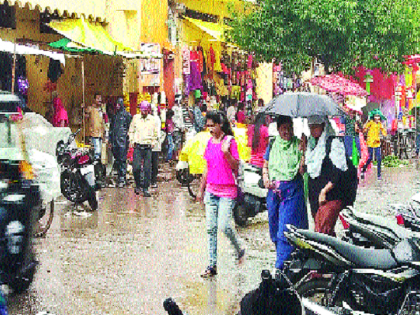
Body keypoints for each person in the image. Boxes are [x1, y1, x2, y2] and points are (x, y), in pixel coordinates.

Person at [197, 111, 245, 278]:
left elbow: (236, 167)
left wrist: (226, 153)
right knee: (210, 229)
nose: (210, 128)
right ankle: (211, 265)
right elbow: (207, 167)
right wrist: (200, 190)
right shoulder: (210, 142)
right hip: (211, 190)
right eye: (208, 125)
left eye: (213, 125)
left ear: (221, 124)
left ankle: (239, 249)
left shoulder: (230, 142)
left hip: (227, 192)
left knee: (224, 225)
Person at [262, 115, 308, 270]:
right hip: (273, 193)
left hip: (292, 192)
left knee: (285, 230)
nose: (287, 132)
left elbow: (301, 170)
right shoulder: (273, 143)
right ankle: (287, 259)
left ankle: (280, 268)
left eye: (290, 128)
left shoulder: (298, 144)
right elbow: (265, 165)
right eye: (283, 128)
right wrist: (266, 178)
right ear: (278, 129)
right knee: (274, 230)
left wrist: (304, 152)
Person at [306, 116, 350, 236]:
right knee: (323, 231)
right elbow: (307, 170)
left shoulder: (333, 143)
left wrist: (324, 191)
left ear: (323, 126)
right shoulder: (310, 145)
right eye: (310, 127)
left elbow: (338, 172)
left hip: (330, 195)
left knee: (322, 231)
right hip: (315, 195)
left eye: (315, 126)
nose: (312, 130)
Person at [128, 101, 159, 197]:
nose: (144, 112)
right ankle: (137, 185)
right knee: (136, 167)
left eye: (146, 110)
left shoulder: (152, 120)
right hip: (138, 146)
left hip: (148, 147)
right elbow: (131, 131)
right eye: (142, 110)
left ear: (148, 110)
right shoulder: (135, 118)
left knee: (147, 169)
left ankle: (145, 188)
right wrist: (132, 140)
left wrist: (153, 142)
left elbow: (156, 133)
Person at [109, 97, 132, 188]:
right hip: (116, 141)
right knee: (117, 160)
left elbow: (130, 128)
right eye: (117, 104)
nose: (118, 106)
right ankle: (120, 176)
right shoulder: (115, 116)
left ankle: (122, 177)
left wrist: (128, 138)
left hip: (122, 141)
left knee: (122, 160)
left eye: (119, 104)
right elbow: (111, 129)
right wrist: (110, 140)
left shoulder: (127, 115)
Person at [361, 110, 387, 180]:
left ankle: (379, 175)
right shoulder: (370, 123)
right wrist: (367, 122)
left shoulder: (380, 124)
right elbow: (364, 130)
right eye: (376, 116)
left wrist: (384, 128)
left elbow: (384, 133)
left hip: (377, 143)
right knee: (369, 158)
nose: (377, 118)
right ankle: (363, 170)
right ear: (373, 117)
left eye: (378, 116)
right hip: (370, 142)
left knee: (379, 159)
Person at [85, 92, 105, 160]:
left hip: (101, 134)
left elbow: (104, 121)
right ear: (94, 100)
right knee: (97, 152)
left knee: (101, 152)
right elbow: (85, 115)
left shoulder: (102, 109)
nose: (99, 100)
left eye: (100, 98)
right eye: (98, 98)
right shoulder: (91, 109)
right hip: (94, 133)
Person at [151, 104, 162, 189]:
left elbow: (157, 133)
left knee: (154, 163)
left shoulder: (156, 119)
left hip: (154, 145)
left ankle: (153, 180)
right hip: (149, 144)